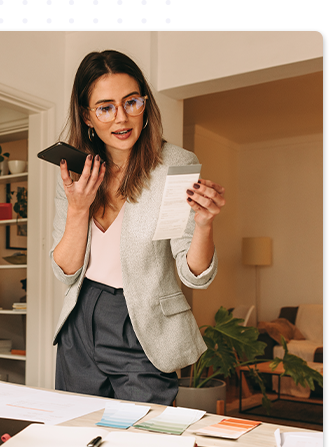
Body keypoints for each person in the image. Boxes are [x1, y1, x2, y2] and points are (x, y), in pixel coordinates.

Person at [50, 50, 225, 406]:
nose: (122, 117)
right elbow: (65, 271)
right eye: (105, 107)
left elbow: (193, 275)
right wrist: (78, 209)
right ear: (87, 115)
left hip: (142, 324)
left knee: (144, 441)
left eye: (132, 101)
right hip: (80, 321)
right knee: (76, 431)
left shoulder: (175, 165)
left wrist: (204, 225)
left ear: (145, 102)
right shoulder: (74, 171)